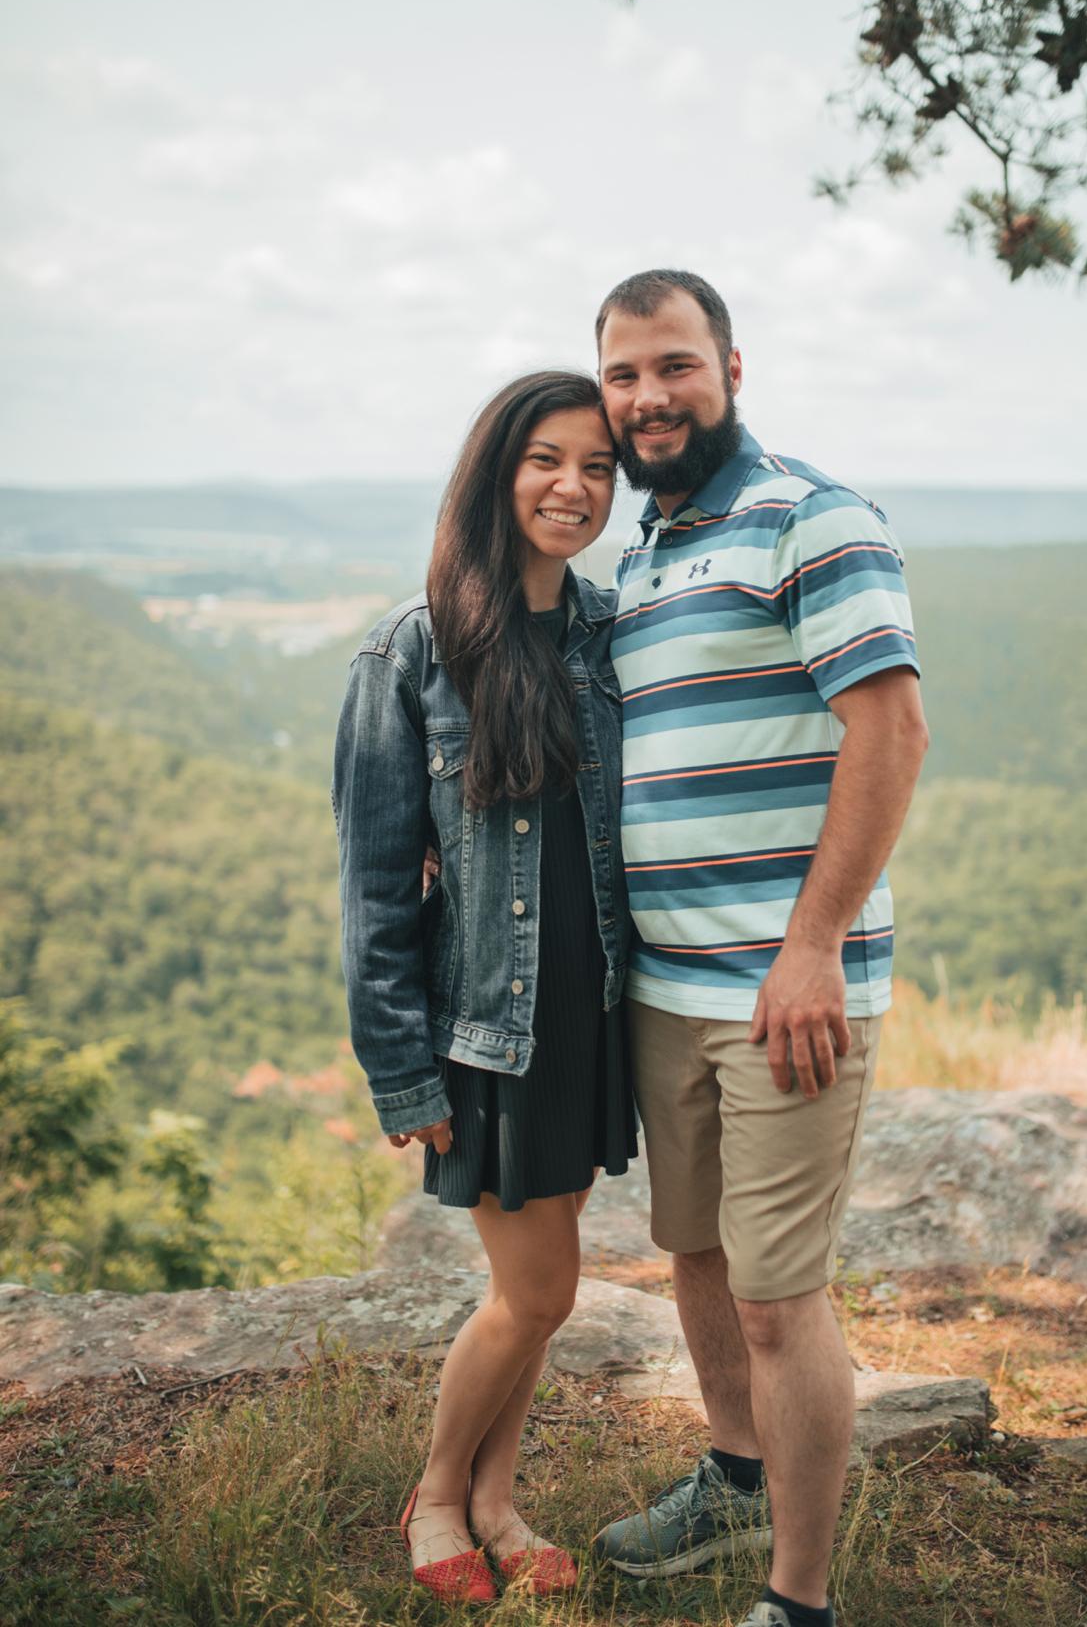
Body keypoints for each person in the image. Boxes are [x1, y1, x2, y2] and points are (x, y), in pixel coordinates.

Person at [593, 271, 929, 1627]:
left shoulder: (811, 516)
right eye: (624, 375)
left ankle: (799, 1602)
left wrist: (813, 947)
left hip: (787, 991)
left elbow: (889, 731)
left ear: (732, 367)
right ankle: (736, 1481)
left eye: (674, 365)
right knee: (697, 1255)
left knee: (781, 1298)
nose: (649, 397)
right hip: (664, 990)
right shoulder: (643, 553)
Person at [333, 370, 636, 1604]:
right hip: (488, 1028)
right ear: (496, 474)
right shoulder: (411, 650)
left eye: (599, 467)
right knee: (541, 1288)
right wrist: (401, 1071)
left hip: (593, 1012)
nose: (574, 487)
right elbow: (372, 888)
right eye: (546, 460)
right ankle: (438, 1495)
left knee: (538, 1294)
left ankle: (499, 1503)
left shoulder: (612, 632)